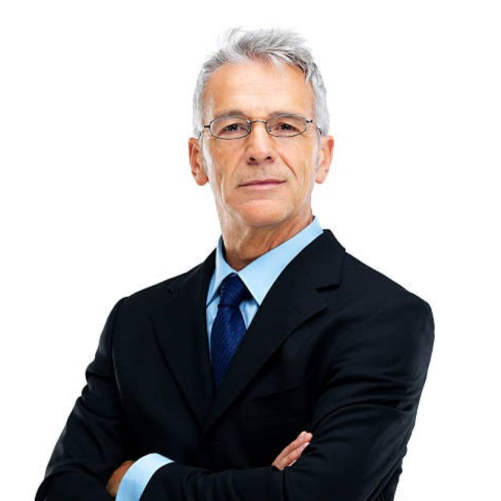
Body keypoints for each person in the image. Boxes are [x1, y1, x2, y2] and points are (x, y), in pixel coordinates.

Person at [35, 28, 435, 501]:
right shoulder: (136, 322)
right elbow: (61, 489)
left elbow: (316, 495)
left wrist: (139, 479)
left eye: (285, 126)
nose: (260, 148)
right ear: (197, 160)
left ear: (323, 157)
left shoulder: (385, 318)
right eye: (232, 127)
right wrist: (266, 485)